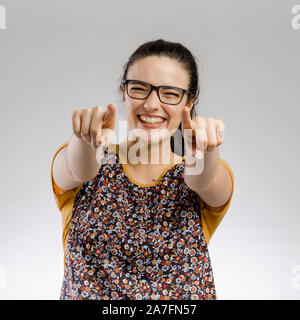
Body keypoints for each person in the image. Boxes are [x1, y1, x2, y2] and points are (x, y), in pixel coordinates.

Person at [50, 39, 234, 300]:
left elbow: (202, 178)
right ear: (124, 92)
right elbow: (80, 169)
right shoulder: (91, 160)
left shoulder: (198, 172)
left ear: (190, 102)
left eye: (170, 93)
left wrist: (206, 150)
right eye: (139, 89)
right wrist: (84, 139)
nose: (151, 104)